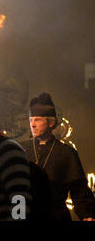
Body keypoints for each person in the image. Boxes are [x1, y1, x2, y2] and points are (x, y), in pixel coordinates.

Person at [20, 92, 95, 221]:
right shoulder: (19, 149)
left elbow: (79, 189)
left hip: (55, 216)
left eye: (37, 120)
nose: (32, 124)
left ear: (51, 123)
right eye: (30, 120)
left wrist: (87, 215)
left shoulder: (66, 152)